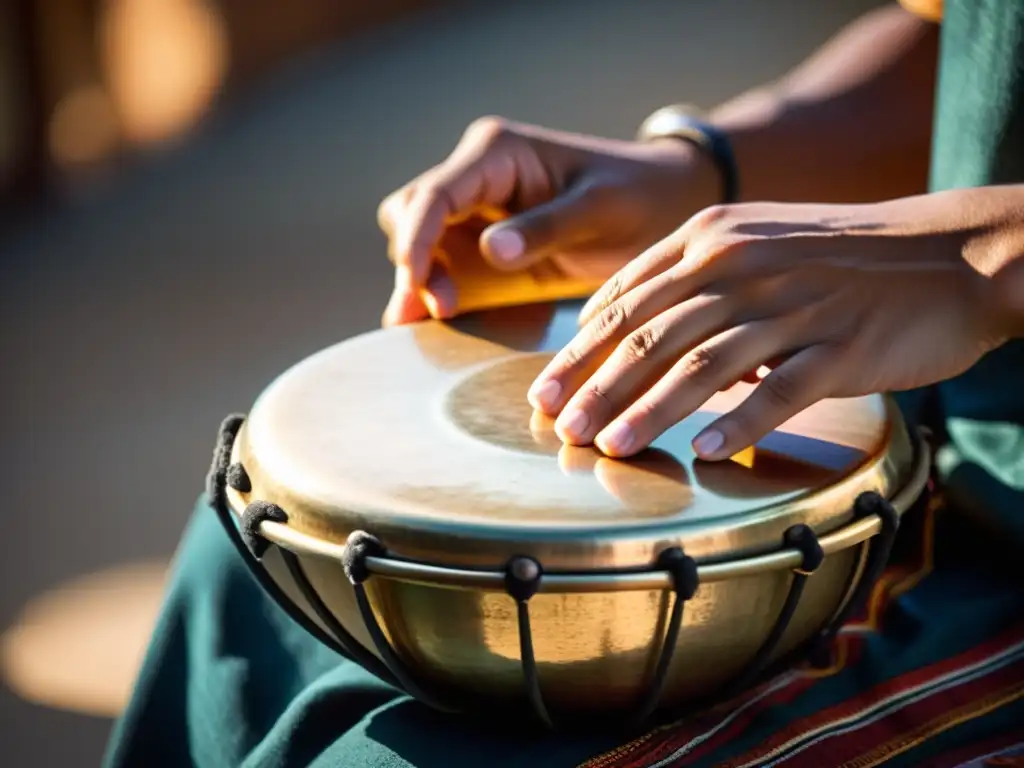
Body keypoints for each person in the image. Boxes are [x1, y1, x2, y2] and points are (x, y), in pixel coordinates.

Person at [104, 1, 1024, 766]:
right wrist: (697, 169)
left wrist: (985, 254)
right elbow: (975, 52)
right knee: (251, 553)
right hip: (949, 426)